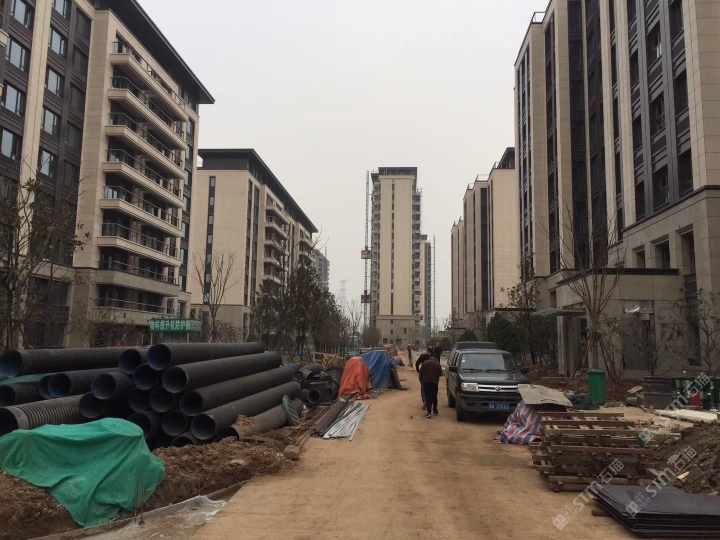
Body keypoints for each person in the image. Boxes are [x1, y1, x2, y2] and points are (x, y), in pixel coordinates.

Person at [416, 346, 433, 410]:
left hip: (423, 375)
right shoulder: (433, 357)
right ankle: (430, 402)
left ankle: (424, 400)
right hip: (431, 375)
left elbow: (417, 363)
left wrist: (418, 371)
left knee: (423, 389)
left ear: (427, 350)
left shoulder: (423, 356)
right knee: (431, 389)